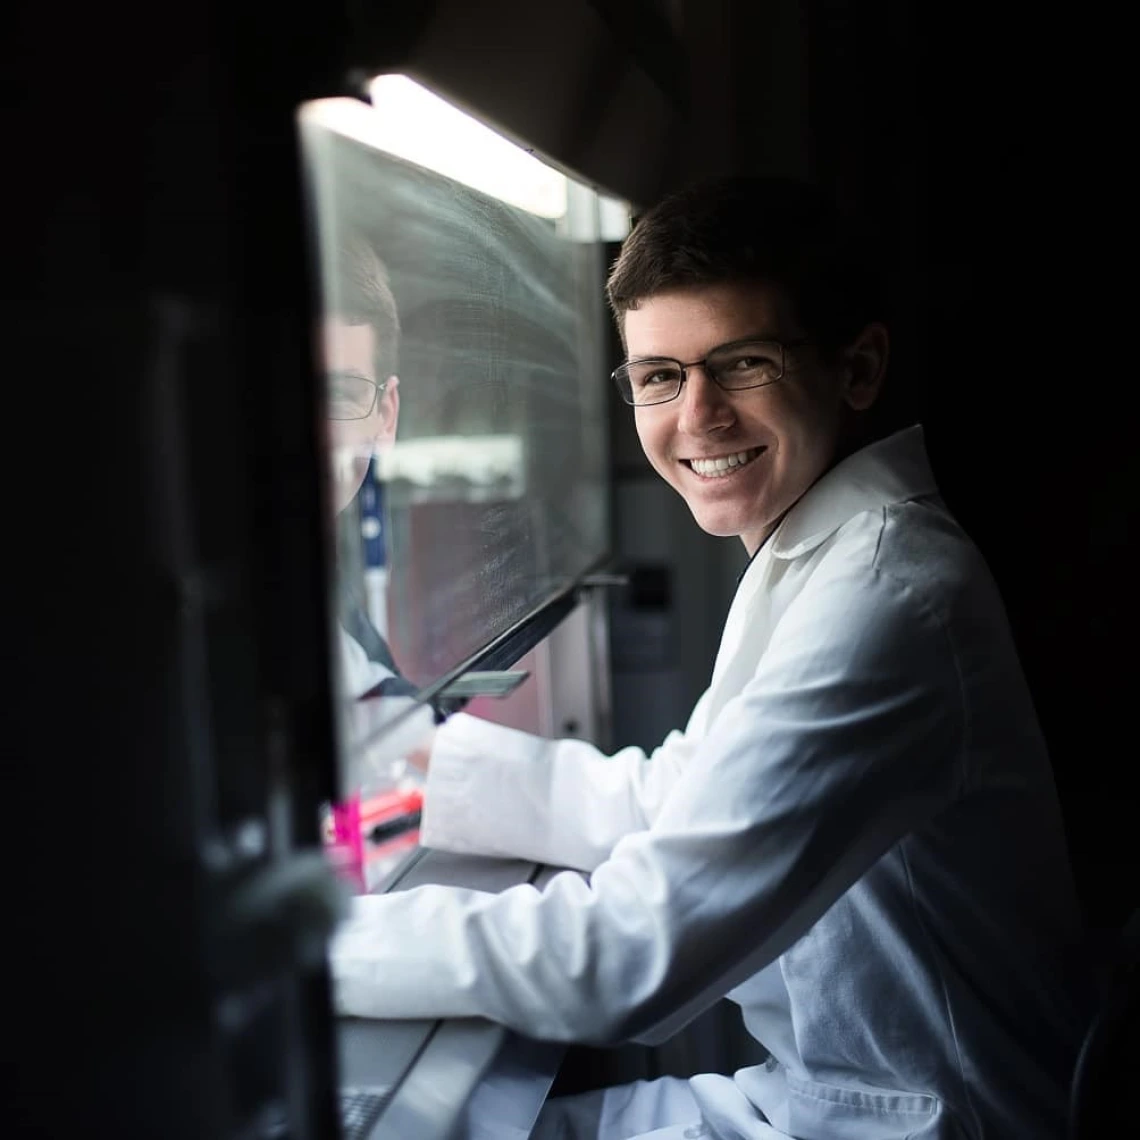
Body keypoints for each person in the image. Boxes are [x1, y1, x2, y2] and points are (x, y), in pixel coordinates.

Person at [329, 175, 1091, 1139]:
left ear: (857, 369)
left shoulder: (888, 596)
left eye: (743, 364)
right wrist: (405, 765)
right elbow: (673, 801)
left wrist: (301, 940)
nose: (698, 418)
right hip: (823, 1102)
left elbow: (627, 959)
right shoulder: (824, 553)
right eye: (659, 376)